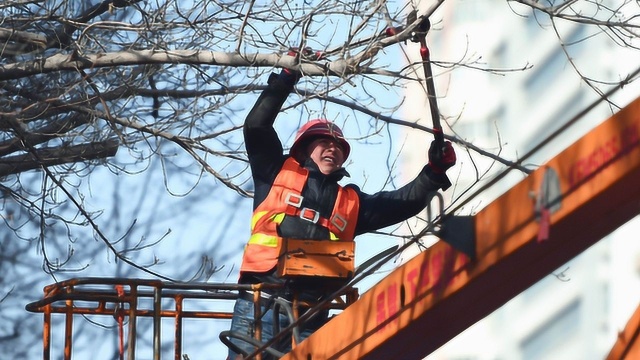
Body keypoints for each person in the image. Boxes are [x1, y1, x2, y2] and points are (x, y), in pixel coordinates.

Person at [225, 51, 456, 360]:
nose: (332, 148)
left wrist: (433, 172)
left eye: (338, 147)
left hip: (313, 315)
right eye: (324, 142)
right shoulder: (275, 172)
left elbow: (404, 202)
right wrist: (287, 76)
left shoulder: (350, 202)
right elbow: (256, 126)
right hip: (261, 303)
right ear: (305, 147)